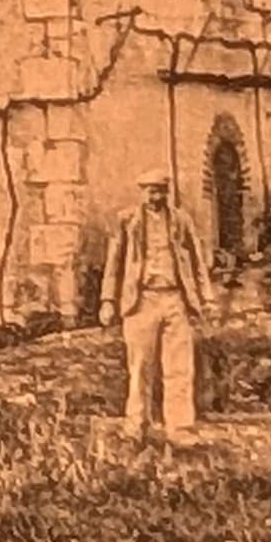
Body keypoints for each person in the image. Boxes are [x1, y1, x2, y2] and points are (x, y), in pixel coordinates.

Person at [94, 167, 218, 444]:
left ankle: (180, 428)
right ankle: (137, 424)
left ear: (167, 192)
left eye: (160, 190)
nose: (155, 196)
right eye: (150, 191)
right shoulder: (128, 221)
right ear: (142, 192)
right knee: (140, 365)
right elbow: (114, 263)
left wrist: (206, 298)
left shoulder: (180, 221)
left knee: (179, 366)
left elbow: (197, 262)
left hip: (175, 299)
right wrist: (107, 300)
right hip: (141, 301)